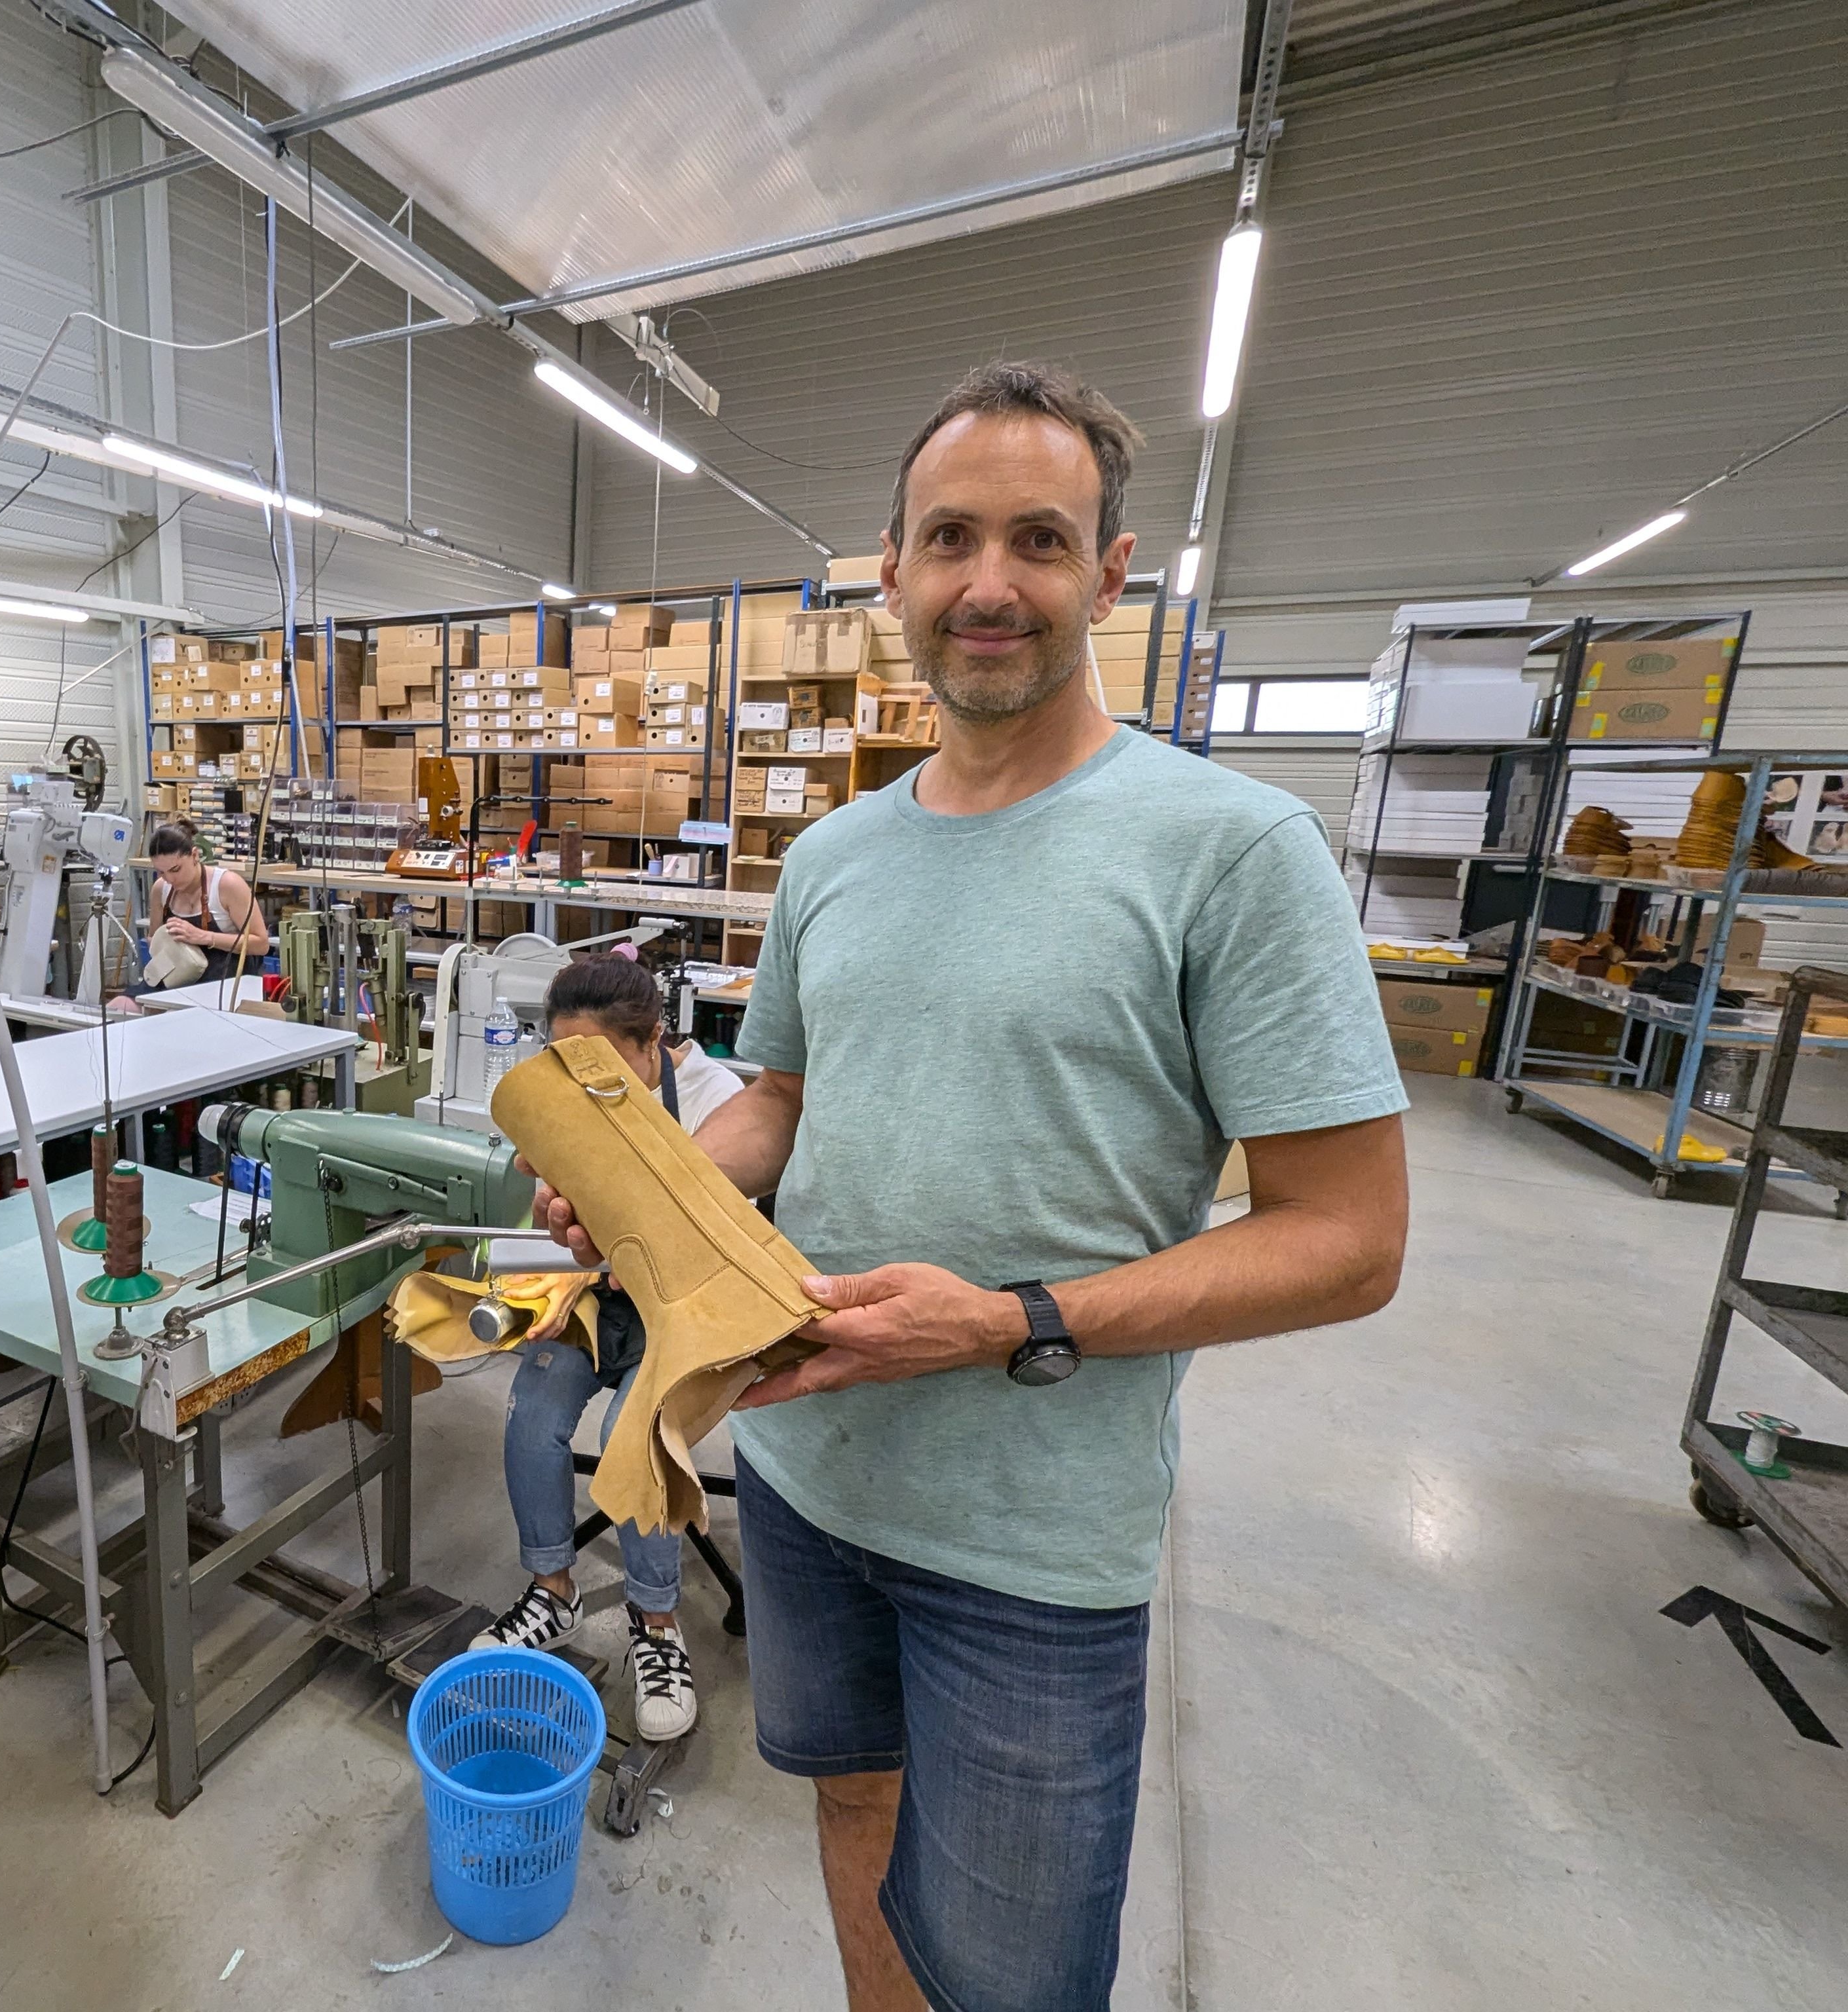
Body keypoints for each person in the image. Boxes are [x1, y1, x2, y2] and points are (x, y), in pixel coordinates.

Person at [530, 361, 1410, 2012]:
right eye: (948, 538)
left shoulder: (1226, 848)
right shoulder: (831, 857)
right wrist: (644, 1186)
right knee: (851, 1812)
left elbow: (1348, 1240)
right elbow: (784, 1099)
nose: (987, 582)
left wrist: (1006, 1318)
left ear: (1109, 573)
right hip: (797, 1472)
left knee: (1007, 1967)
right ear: (891, 571)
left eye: (1037, 539)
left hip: (1029, 1538)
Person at [469, 953, 743, 1742]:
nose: (575, 1076)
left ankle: (657, 1627)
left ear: (652, 1042)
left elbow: (731, 1241)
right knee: (532, 1404)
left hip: (687, 1316)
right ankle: (552, 1591)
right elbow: (557, 1221)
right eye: (561, 1059)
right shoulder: (570, 1102)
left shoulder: (714, 1102)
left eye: (594, 1059)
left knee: (636, 1432)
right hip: (603, 1302)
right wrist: (557, 1277)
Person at [143, 821, 268, 986]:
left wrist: (203, 937)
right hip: (176, 979)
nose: (170, 879)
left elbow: (261, 945)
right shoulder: (161, 889)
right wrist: (161, 944)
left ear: (195, 855)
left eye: (176, 870)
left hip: (224, 984)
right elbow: (154, 938)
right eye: (161, 872)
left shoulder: (227, 885)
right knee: (123, 1005)